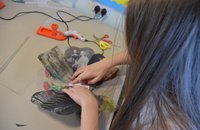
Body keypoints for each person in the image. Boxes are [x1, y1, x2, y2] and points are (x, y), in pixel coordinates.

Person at [63, 0, 200, 129]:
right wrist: (106, 63)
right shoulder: (188, 61)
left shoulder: (169, 124)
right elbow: (147, 52)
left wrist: (89, 107)